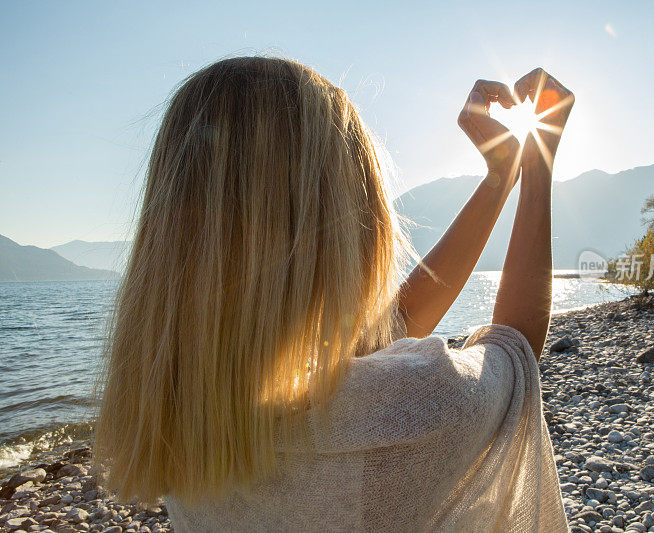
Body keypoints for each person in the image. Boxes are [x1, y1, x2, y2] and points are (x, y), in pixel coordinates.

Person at [93, 56, 574, 532]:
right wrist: (538, 164)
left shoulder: (179, 417)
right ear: (348, 224)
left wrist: (497, 178)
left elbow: (389, 329)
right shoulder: (410, 408)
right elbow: (514, 352)